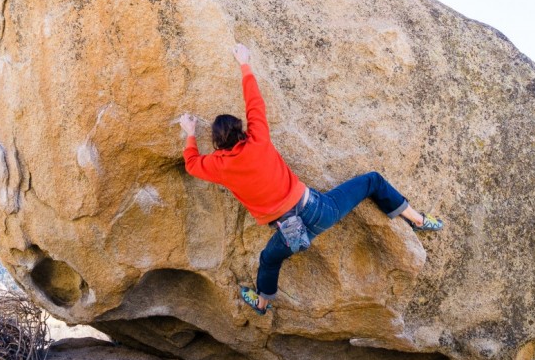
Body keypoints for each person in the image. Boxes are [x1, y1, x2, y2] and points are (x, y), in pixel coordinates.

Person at [179, 43, 443, 315]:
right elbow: (254, 104)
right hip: (319, 210)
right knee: (372, 181)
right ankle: (418, 220)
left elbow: (191, 164)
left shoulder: (217, 165)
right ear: (241, 131)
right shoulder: (258, 139)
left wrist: (190, 132)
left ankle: (261, 304)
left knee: (269, 260)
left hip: (290, 232)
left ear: (217, 143)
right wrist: (244, 64)